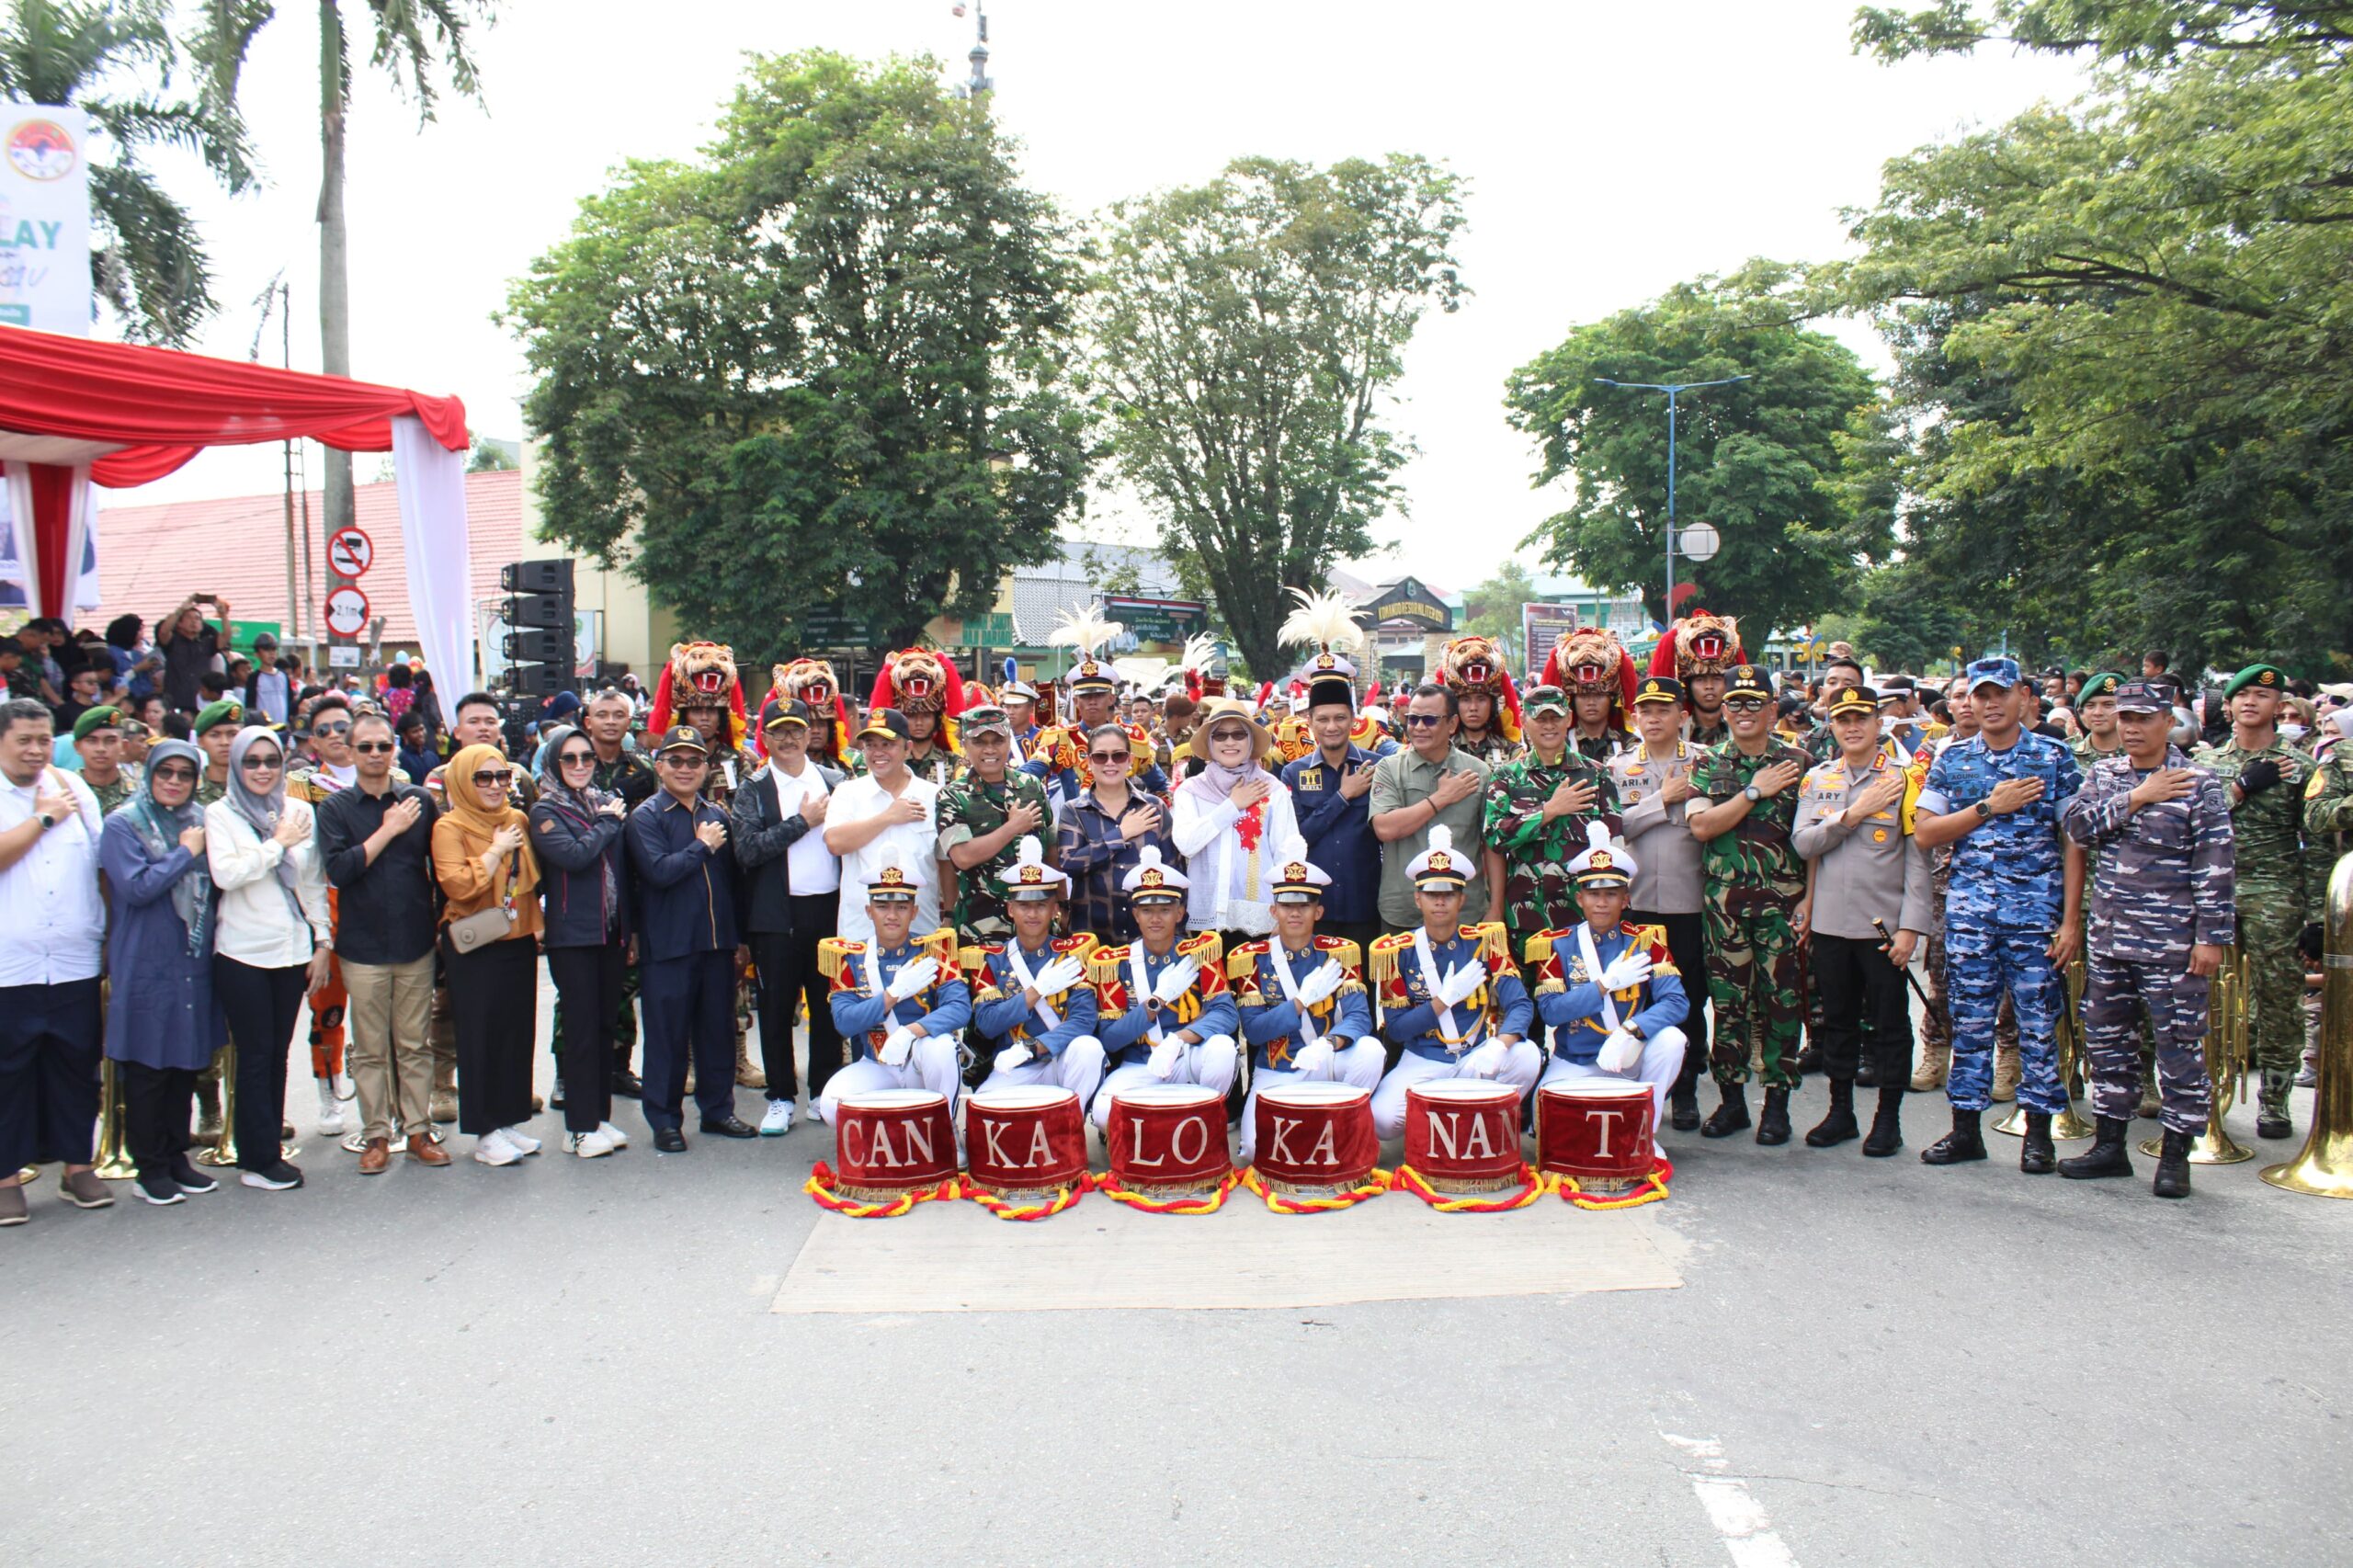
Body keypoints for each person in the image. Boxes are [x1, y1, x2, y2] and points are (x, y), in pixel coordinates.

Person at [2059, 680, 2235, 1198]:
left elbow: (2216, 865)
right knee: (2108, 1042)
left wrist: (2211, 937)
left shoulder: (2197, 782)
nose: (2131, 728)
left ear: (2167, 722)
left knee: (2178, 1046)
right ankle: (2110, 1145)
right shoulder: (2106, 774)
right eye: (2124, 718)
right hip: (2111, 935)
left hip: (2173, 941)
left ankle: (2177, 1154)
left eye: (2142, 718)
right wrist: (2137, 797)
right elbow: (2077, 829)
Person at [1913, 657, 2086, 1172]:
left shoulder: (2053, 758)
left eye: (1998, 694)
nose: (1987, 704)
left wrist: (2071, 921)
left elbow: (2074, 841)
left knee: (2037, 1023)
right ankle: (1965, 1128)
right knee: (1969, 1022)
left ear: (2024, 698)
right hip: (1970, 914)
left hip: (2035, 915)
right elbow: (1925, 832)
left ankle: (2039, 1134)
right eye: (1978, 695)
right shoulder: (1953, 759)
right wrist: (1990, 806)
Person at [1793, 685, 1934, 1155]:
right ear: (1831, 726)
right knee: (1838, 1021)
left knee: (1890, 1024)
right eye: (1842, 719)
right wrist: (1853, 814)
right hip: (1832, 924)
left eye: (1861, 719)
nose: (1852, 728)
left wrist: (1912, 926)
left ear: (1879, 724)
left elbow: (1918, 860)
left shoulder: (1905, 777)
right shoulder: (1818, 779)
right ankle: (1841, 1112)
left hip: (1883, 926)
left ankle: (1888, 1119)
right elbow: (1804, 845)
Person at [315, 710, 449, 1173]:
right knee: (370, 1047)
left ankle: (418, 1130)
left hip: (415, 940)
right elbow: (341, 870)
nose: (376, 755)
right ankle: (376, 1134)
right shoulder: (335, 808)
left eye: (384, 746)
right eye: (366, 747)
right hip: (362, 946)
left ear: (394, 750)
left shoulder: (417, 800)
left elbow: (438, 864)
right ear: (350, 753)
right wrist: (388, 829)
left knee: (414, 1044)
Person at [2192, 663, 2321, 1141]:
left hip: (2275, 894)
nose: (2250, 702)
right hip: (2214, 894)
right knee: (2205, 998)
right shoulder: (2206, 764)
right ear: (2227, 705)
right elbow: (2194, 821)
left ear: (2278, 707)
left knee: (2279, 999)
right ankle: (2204, 1092)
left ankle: (2275, 1100)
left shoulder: (2301, 767)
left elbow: (2318, 844)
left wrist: (2316, 918)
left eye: (2262, 697)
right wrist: (2242, 787)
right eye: (2241, 695)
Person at [1687, 665, 1813, 1144]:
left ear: (1773, 709)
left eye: (1753, 702)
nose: (1742, 711)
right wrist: (1754, 790)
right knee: (1729, 1005)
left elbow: (1815, 838)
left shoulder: (1800, 761)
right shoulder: (1707, 763)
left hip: (1782, 905)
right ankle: (1732, 1101)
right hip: (1724, 906)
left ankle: (1777, 1104)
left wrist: (1811, 901)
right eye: (1734, 703)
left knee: (1781, 1004)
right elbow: (1702, 826)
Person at [97, 739, 227, 1205]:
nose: (174, 781)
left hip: (191, 959)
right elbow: (134, 888)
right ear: (150, 774)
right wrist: (183, 853)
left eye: (184, 774)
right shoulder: (123, 825)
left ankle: (176, 1157)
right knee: (149, 1064)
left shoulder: (196, 820)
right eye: (165, 772)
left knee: (183, 1063)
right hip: (147, 960)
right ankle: (148, 1166)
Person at [206, 726, 333, 1192]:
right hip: (242, 952)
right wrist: (277, 842)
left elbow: (314, 882)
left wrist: (323, 943)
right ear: (237, 767)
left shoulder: (299, 810)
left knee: (277, 1054)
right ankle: (255, 1157)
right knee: (255, 1055)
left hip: (292, 951)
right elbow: (228, 873)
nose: (262, 770)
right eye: (251, 762)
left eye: (271, 761)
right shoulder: (221, 814)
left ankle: (266, 1148)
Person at [0, 699, 110, 1225]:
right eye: (24, 739)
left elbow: (99, 860)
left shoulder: (73, 787)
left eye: (43, 739)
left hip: (73, 959)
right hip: (11, 963)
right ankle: (5, 1177)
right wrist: (44, 818)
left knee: (75, 1067)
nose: (35, 750)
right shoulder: (35, 800)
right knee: (9, 1071)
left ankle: (77, 1167)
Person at [628, 724, 753, 1150]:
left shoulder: (717, 815)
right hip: (669, 946)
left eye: (694, 761)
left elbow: (733, 884)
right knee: (667, 1037)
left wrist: (739, 939)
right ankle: (664, 1119)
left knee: (716, 1031)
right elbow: (658, 873)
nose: (685, 768)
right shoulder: (646, 816)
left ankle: (718, 1110)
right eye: (676, 760)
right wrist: (700, 846)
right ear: (659, 765)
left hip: (715, 944)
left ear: (707, 767)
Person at [1368, 826, 1536, 1138]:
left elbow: (1521, 1006)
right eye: (1432, 893)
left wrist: (1500, 1044)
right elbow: (1397, 1028)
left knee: (1528, 1055)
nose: (1440, 902)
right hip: (1423, 1060)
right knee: (1381, 1120)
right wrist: (1444, 1000)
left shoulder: (1486, 943)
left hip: (1477, 1055)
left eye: (1448, 894)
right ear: (1418, 899)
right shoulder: (1397, 951)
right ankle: (1442, 1126)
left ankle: (1483, 1124)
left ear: (1462, 899)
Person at [1527, 824, 1688, 1137]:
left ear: (1625, 899)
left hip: (1631, 1055)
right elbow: (1551, 1012)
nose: (1602, 902)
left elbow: (1676, 1002)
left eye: (1611, 894)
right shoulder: (1556, 944)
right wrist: (1604, 985)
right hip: (1577, 1060)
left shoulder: (1645, 941)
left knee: (1672, 1040)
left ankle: (1644, 1135)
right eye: (1594, 894)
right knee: (1545, 1126)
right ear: (1580, 898)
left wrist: (1633, 1030)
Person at [733, 699, 847, 1135]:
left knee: (826, 1005)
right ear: (764, 738)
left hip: (827, 909)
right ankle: (781, 1095)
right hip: (776, 914)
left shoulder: (836, 780)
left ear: (810, 732)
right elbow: (747, 849)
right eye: (778, 732)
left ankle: (822, 1089)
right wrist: (801, 821)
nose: (788, 739)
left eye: (796, 730)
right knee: (778, 1008)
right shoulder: (754, 787)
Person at [430, 742, 545, 1166]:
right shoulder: (450, 826)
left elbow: (533, 880)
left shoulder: (516, 818)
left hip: (516, 937)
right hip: (474, 944)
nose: (495, 785)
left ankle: (508, 1119)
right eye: (484, 777)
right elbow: (457, 885)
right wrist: (495, 850)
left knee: (516, 1032)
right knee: (480, 1036)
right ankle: (484, 1130)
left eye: (502, 777)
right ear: (464, 780)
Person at [1227, 858, 1384, 1162]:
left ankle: (1343, 1125)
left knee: (1370, 1050)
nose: (1295, 912)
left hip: (1328, 1061)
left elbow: (1359, 1017)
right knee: (1255, 1150)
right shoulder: (1253, 959)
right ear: (1274, 911)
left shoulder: (1339, 952)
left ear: (1319, 911)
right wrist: (1300, 1002)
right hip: (1278, 1068)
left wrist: (1329, 1044)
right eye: (1286, 905)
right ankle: (1315, 1132)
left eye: (1305, 904)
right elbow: (1255, 1030)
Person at [529, 723, 636, 1159]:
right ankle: (577, 1125)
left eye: (586, 758)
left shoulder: (600, 803)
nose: (579, 766)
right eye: (569, 759)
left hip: (609, 932)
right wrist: (608, 823)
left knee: (604, 1026)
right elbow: (574, 857)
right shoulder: (545, 811)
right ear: (555, 763)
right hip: (572, 935)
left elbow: (621, 874)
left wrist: (629, 930)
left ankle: (598, 1116)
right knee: (579, 1031)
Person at [1611, 676, 1711, 1131]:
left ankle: (1686, 1088)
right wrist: (1661, 800)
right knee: (1637, 998)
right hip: (1636, 905)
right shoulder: (1617, 768)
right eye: (1645, 711)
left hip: (1690, 903)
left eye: (1663, 710)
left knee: (1688, 997)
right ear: (1634, 719)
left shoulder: (1706, 764)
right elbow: (1614, 830)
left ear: (1683, 718)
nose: (1653, 719)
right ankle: (1635, 1084)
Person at [1084, 847, 1240, 1131]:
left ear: (1180, 913)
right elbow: (1110, 1038)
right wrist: (1155, 1002)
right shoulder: (1116, 963)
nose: (1156, 919)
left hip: (1189, 1057)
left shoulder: (1199, 952)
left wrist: (1179, 1039)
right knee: (1105, 1114)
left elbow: (1227, 1014)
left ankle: (1203, 1126)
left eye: (1165, 910)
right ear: (1136, 915)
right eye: (1147, 911)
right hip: (1140, 1065)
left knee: (1223, 1049)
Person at [813, 848, 970, 1126]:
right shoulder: (852, 958)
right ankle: (889, 1142)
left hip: (922, 1060)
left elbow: (959, 1009)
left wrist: (910, 1033)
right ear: (869, 911)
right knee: (831, 1104)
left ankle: (946, 1133)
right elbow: (844, 1022)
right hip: (877, 1064)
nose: (892, 915)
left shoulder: (933, 951)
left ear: (915, 912)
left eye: (901, 907)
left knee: (943, 1047)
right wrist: (891, 995)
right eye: (883, 906)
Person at [1483, 684, 1619, 964]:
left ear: (1569, 719)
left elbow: (1616, 848)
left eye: (1555, 718)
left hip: (1583, 919)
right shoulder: (1507, 777)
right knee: (1527, 1004)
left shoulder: (1597, 775)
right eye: (1540, 719)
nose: (1549, 726)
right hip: (1525, 919)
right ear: (1524, 721)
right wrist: (1548, 811)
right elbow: (1494, 837)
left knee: (1585, 1003)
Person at [967, 840, 1106, 1107]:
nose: (1032, 913)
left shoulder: (1071, 954)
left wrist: (1032, 1047)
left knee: (1089, 1049)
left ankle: (1070, 1131)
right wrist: (1036, 992)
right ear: (1010, 910)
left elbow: (1084, 1021)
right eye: (1023, 906)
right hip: (1013, 1065)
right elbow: (987, 1023)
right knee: (985, 1107)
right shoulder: (991, 960)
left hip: (1061, 1059)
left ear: (1055, 910)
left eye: (1041, 905)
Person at [1281, 645, 1392, 955]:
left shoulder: (1377, 768)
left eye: (1340, 717)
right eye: (1324, 718)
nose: (1332, 726)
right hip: (1314, 908)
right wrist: (1344, 796)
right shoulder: (1293, 773)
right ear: (1310, 721)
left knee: (1364, 994)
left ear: (1353, 719)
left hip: (1366, 904)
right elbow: (1297, 837)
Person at [1172, 698, 1306, 941]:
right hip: (1206, 919)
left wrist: (1287, 910)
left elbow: (1286, 855)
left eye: (1239, 734)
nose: (1230, 742)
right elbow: (1186, 843)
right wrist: (1232, 805)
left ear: (1250, 741)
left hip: (1261, 918)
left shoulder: (1271, 790)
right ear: (1210, 743)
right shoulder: (1190, 791)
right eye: (1220, 736)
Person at [1370, 683, 1496, 933]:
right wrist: (1441, 798)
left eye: (1429, 720)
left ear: (1451, 724)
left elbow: (1491, 844)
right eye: (1412, 719)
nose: (1418, 727)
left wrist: (1496, 907)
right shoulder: (1390, 768)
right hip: (1404, 909)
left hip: (1464, 910)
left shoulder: (1478, 772)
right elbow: (1384, 828)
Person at [824, 709, 945, 945]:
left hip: (921, 927)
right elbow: (835, 842)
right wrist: (888, 817)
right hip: (862, 929)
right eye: (870, 745)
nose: (878, 753)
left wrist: (949, 912)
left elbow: (944, 862)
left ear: (907, 748)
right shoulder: (848, 792)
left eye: (887, 744)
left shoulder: (933, 795)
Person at [937, 704, 1052, 946]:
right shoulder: (952, 796)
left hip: (1037, 924)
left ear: (1009, 741)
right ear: (965, 746)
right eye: (979, 742)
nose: (990, 749)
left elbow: (1050, 846)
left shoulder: (1031, 786)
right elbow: (963, 857)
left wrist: (1061, 901)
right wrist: (1012, 828)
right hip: (981, 928)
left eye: (997, 740)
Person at [1054, 721, 1171, 947]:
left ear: (1129, 760)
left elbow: (1173, 870)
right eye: (1100, 756)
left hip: (1149, 937)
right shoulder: (1074, 810)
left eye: (1118, 756)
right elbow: (1070, 863)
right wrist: (1121, 834)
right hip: (1093, 937)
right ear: (1088, 762)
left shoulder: (1154, 808)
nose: (1110, 763)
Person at [1647, 610, 1745, 748]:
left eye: (1717, 678)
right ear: (1687, 685)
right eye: (1700, 679)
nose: (1709, 686)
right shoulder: (1669, 732)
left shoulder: (1745, 727)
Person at [1433, 635, 1523, 766]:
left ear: (1493, 704)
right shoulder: (1439, 750)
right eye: (1465, 700)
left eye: (1481, 699)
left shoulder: (1512, 751)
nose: (1473, 707)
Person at [157, 596, 232, 713]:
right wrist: (181, 609)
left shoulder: (207, 643)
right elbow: (163, 631)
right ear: (179, 624)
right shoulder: (173, 642)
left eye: (197, 619)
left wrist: (223, 615)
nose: (194, 621)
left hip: (200, 702)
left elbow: (226, 636)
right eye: (189, 618)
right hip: (175, 701)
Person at [71, 707, 136, 816]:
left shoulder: (138, 792)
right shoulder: (66, 791)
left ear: (124, 747)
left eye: (110, 741)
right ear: (77, 747)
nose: (101, 748)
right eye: (92, 741)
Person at [243, 633, 292, 728]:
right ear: (257, 654)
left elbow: (289, 700)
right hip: (263, 728)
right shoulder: (254, 678)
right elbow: (250, 706)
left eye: (273, 649)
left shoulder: (283, 675)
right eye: (266, 650)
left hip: (283, 728)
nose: (271, 653)